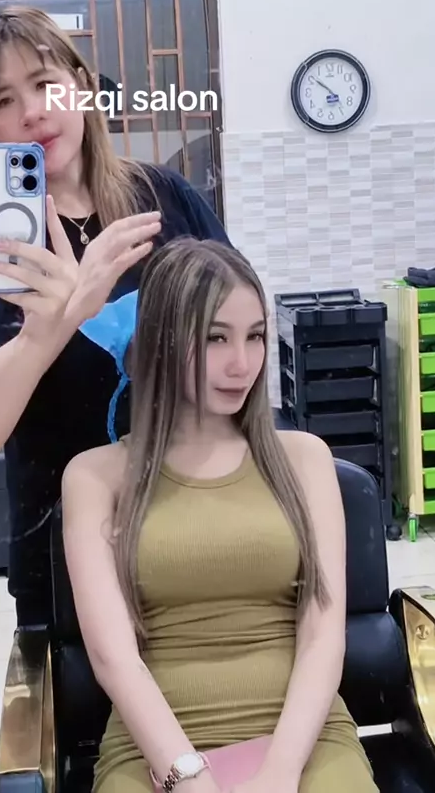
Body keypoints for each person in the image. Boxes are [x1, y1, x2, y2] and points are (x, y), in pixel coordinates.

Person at [61, 238, 378, 793]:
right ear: (161, 341)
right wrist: (187, 775)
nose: (241, 364)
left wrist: (280, 772)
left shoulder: (305, 459)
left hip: (303, 737)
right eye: (215, 338)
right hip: (153, 747)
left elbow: (323, 635)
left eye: (255, 336)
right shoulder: (94, 477)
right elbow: (114, 658)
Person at [0, 6, 232, 628]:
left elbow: (239, 339)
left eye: (45, 83)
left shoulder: (164, 201)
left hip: (195, 528)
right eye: (4, 100)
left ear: (82, 87)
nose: (32, 111)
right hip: (59, 557)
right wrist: (54, 324)